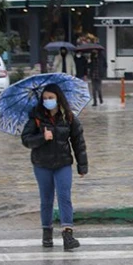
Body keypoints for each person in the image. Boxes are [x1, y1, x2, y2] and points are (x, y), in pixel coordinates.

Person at [21, 83, 88, 251]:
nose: (47, 101)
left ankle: (68, 234)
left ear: (58, 98)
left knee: (64, 196)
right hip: (42, 164)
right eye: (45, 98)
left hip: (63, 163)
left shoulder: (69, 117)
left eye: (51, 98)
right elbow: (26, 140)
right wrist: (42, 138)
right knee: (46, 199)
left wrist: (82, 165)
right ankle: (47, 234)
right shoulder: (35, 118)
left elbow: (78, 142)